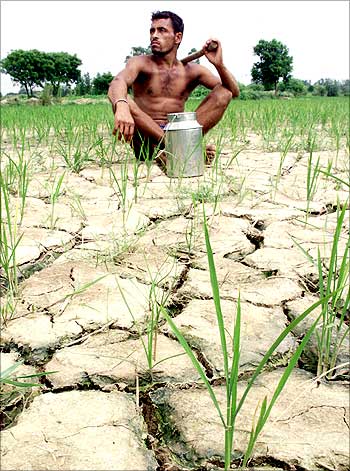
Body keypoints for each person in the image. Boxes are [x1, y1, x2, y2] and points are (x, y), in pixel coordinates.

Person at [108, 10, 240, 167]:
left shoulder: (192, 71)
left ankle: (178, 150)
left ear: (178, 37)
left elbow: (233, 91)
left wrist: (219, 65)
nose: (154, 35)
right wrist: (121, 106)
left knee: (223, 93)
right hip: (146, 142)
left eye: (162, 30)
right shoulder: (140, 63)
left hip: (180, 134)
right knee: (123, 97)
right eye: (152, 30)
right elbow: (117, 82)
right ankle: (182, 150)